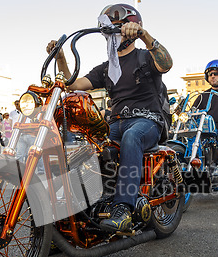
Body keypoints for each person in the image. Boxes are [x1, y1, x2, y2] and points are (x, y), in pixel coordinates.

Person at [46, 3, 172, 232]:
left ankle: (123, 208)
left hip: (148, 121)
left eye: (120, 26)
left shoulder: (145, 57)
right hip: (114, 123)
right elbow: (73, 84)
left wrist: (144, 35)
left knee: (132, 136)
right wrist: (61, 57)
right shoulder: (106, 68)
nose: (114, 32)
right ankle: (80, 212)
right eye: (110, 28)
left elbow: (166, 64)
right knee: (83, 146)